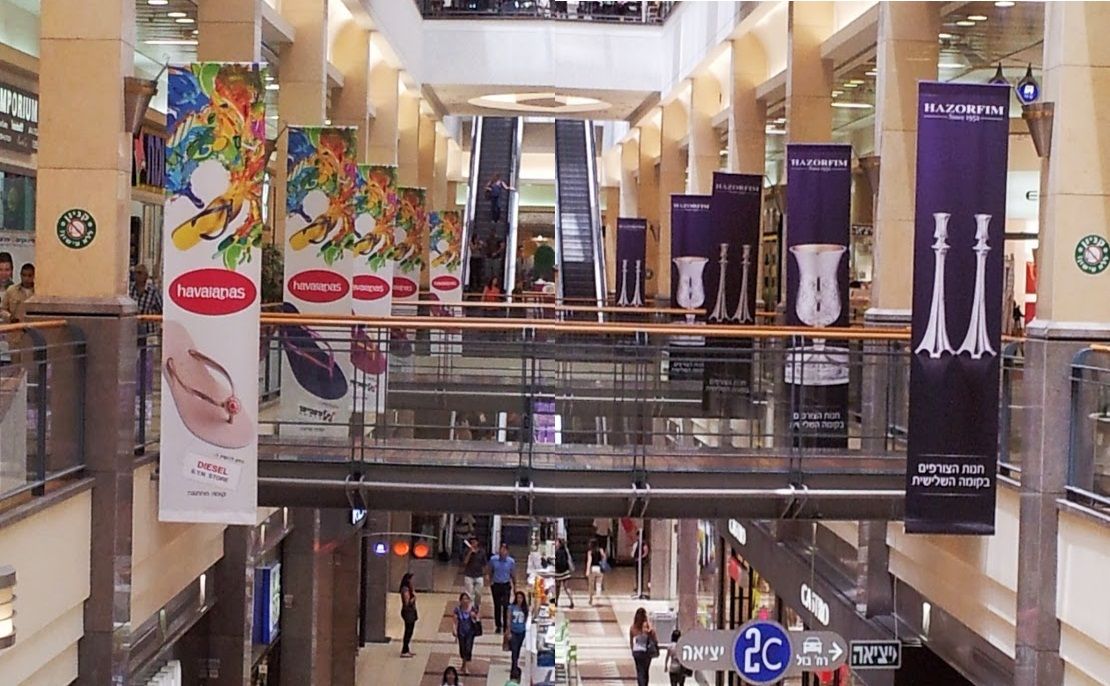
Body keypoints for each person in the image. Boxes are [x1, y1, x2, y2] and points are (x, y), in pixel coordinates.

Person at [489, 542, 516, 633]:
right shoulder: (493, 560)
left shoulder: (510, 561)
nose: (502, 551)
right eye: (501, 549)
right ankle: (498, 625)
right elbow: (490, 571)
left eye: (504, 549)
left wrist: (515, 585)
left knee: (505, 605)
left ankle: (505, 625)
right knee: (497, 606)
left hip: (505, 585)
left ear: (507, 551)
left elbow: (513, 574)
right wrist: (490, 581)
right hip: (496, 585)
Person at [452, 592, 480, 675]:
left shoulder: (472, 609)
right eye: (463, 599)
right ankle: (463, 664)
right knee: (462, 648)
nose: (465, 601)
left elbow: (477, 618)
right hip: (461, 632)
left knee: (468, 648)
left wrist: (474, 616)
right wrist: (454, 629)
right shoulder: (457, 610)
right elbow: (455, 621)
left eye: (466, 599)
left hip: (470, 632)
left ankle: (465, 666)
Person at [630, 607, 658, 686]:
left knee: (639, 671)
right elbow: (653, 633)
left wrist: (632, 650)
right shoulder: (646, 628)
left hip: (636, 651)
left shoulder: (633, 628)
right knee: (645, 671)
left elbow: (631, 641)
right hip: (646, 651)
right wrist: (648, 621)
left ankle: (641, 684)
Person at [505, 590, 529, 672]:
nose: (519, 599)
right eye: (518, 597)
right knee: (514, 649)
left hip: (521, 632)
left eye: (521, 598)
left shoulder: (525, 608)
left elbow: (525, 619)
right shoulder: (511, 607)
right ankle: (514, 666)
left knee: (518, 649)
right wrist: (508, 631)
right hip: (513, 631)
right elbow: (508, 619)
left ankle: (515, 663)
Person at [462, 536, 487, 612]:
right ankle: (470, 608)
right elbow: (465, 562)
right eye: (472, 542)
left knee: (478, 593)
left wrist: (486, 574)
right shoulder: (466, 551)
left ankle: (477, 605)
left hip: (479, 575)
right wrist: (470, 552)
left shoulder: (482, 552)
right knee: (469, 593)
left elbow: (484, 564)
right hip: (469, 575)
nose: (473, 543)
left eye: (475, 542)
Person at [399, 572, 418, 658]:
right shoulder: (405, 589)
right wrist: (413, 598)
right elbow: (407, 602)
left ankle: (407, 648)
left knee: (410, 630)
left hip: (411, 612)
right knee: (408, 630)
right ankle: (404, 649)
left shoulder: (409, 588)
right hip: (408, 612)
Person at [553, 538, 575, 608]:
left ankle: (556, 601)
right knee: (567, 588)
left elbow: (557, 562)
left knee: (557, 588)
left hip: (558, 572)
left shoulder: (557, 552)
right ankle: (571, 601)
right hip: (566, 571)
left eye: (556, 542)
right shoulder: (566, 551)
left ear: (559, 543)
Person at [586, 538, 607, 605]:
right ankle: (598, 597)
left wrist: (587, 570)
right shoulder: (600, 550)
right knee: (598, 584)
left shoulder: (590, 552)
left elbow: (589, 561)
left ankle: (591, 599)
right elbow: (604, 557)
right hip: (599, 569)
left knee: (591, 585)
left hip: (592, 569)